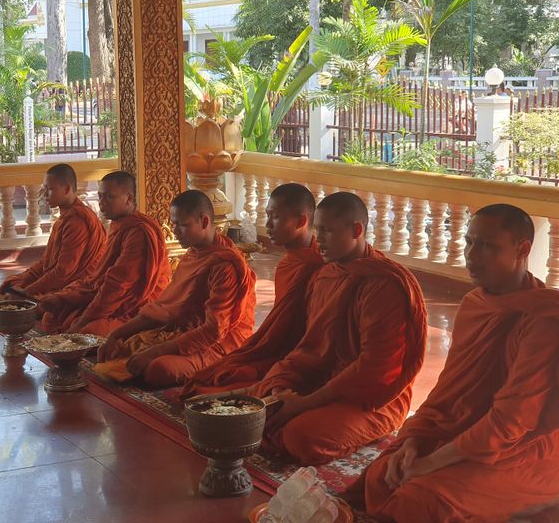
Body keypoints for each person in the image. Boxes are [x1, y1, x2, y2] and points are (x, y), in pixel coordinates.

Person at [356, 204, 559, 522]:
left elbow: (510, 424)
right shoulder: (475, 303)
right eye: (469, 242)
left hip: (527, 450)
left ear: (523, 249)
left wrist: (428, 464)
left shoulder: (544, 319)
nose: (472, 255)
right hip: (471, 431)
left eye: (487, 245)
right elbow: (448, 392)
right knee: (381, 475)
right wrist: (413, 441)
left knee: (419, 500)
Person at [250, 192, 427, 465]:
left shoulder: (384, 285)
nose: (318, 239)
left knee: (300, 436)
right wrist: (282, 389)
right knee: (259, 404)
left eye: (327, 231)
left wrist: (308, 402)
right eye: (317, 230)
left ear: (356, 230)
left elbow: (376, 368)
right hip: (323, 382)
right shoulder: (325, 275)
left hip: (372, 399)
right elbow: (310, 348)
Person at [94, 190, 256, 388]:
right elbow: (163, 309)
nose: (175, 230)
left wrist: (155, 351)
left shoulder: (225, 265)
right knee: (119, 350)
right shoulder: (192, 254)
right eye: (174, 224)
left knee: (159, 369)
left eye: (182, 225)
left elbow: (214, 332)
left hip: (218, 344)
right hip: (183, 332)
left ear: (204, 222)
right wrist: (117, 334)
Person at [179, 183, 322, 398]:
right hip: (280, 352)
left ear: (301, 221)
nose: (267, 225)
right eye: (268, 216)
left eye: (275, 217)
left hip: (305, 357)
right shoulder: (288, 264)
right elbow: (282, 323)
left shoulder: (320, 267)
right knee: (213, 380)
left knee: (215, 385)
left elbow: (316, 336)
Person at [38, 171, 171, 336]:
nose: (102, 203)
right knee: (53, 315)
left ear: (129, 198)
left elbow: (117, 286)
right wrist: (64, 297)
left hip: (138, 307)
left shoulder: (139, 233)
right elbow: (98, 279)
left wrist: (83, 321)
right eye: (100, 197)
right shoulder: (119, 225)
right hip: (111, 300)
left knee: (87, 331)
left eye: (109, 197)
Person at [0, 164, 106, 300]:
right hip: (61, 278)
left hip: (78, 284)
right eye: (44, 189)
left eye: (49, 189)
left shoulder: (76, 222)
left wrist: (25, 293)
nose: (44, 194)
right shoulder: (64, 218)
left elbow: (63, 272)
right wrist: (25, 283)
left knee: (48, 303)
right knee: (13, 283)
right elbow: (46, 263)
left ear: (67, 189)